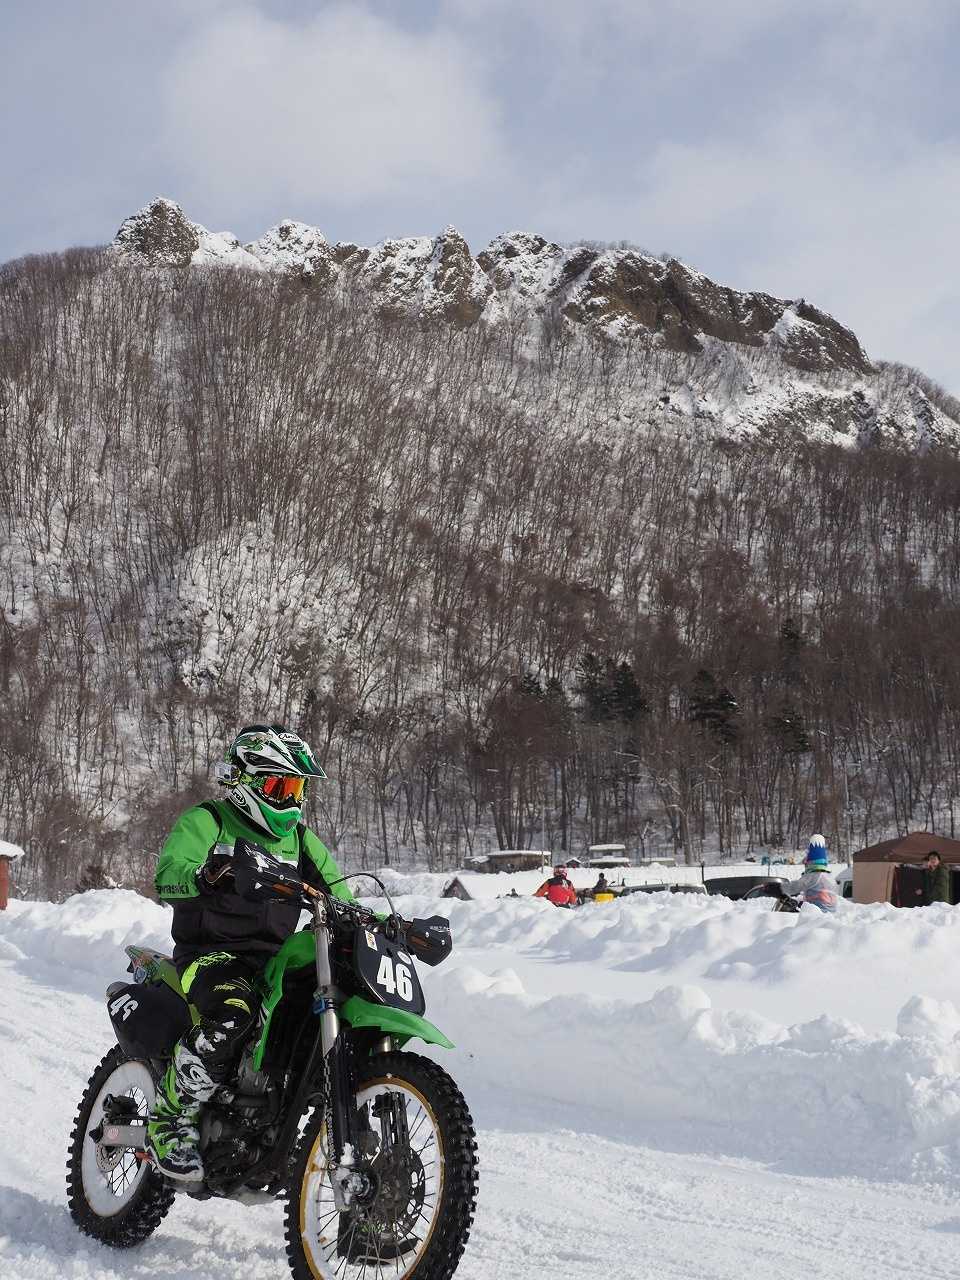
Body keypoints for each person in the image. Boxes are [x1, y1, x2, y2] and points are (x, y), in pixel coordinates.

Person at [147, 723, 357, 1181]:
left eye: (296, 788)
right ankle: (169, 1120)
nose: (290, 799)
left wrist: (375, 922)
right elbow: (168, 875)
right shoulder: (209, 820)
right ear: (244, 781)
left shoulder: (300, 841)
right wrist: (204, 875)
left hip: (274, 961)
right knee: (233, 1015)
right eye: (279, 786)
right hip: (211, 956)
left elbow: (341, 894)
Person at [780, 834, 839, 912]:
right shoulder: (829, 877)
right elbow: (817, 893)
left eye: (806, 864)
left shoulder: (813, 875)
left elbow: (794, 887)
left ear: (809, 863)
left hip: (818, 913)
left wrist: (778, 888)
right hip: (830, 913)